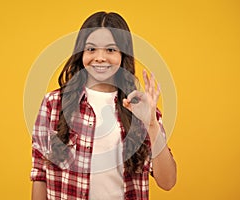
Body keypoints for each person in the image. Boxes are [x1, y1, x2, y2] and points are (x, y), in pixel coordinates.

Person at [30, 11, 176, 200]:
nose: (100, 57)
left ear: (123, 54)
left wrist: (152, 125)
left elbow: (168, 181)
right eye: (91, 49)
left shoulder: (140, 109)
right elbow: (40, 173)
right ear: (80, 52)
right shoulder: (53, 104)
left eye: (110, 50)